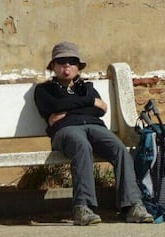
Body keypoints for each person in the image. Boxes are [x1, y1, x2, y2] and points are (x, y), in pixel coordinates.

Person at [34, 41, 153, 225]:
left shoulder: (87, 87)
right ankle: (83, 207)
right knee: (82, 146)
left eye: (72, 62)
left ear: (78, 67)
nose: (67, 66)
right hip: (66, 131)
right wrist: (88, 103)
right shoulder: (44, 90)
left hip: (94, 126)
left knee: (120, 149)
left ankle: (133, 206)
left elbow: (101, 108)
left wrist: (68, 109)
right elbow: (53, 109)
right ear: (53, 66)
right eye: (61, 61)